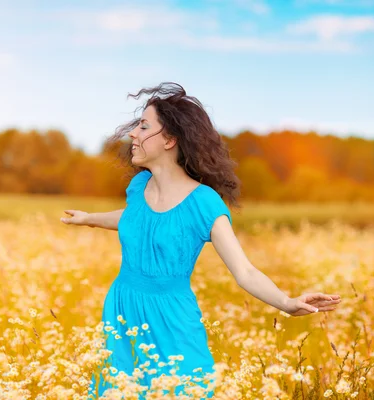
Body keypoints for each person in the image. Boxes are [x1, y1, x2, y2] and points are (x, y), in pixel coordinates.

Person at [60, 82, 341, 399]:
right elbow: (134, 220)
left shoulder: (204, 204)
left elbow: (244, 271)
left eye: (143, 126)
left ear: (169, 140)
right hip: (122, 307)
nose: (133, 135)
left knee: (185, 390)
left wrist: (287, 303)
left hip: (171, 317)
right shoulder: (140, 187)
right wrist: (89, 219)